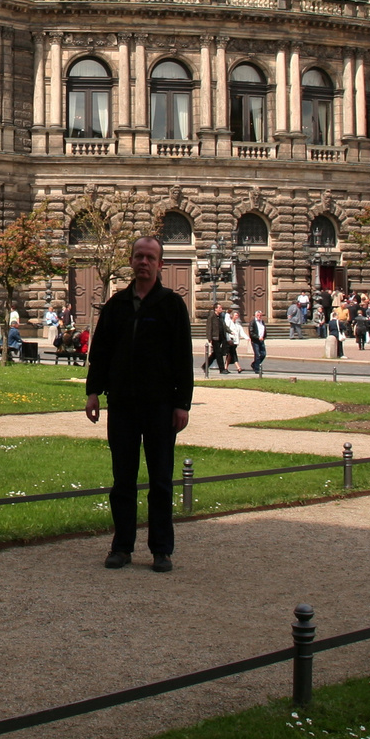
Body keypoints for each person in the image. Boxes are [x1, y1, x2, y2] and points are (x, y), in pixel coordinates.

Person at [85, 237, 193, 573]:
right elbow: (100, 352)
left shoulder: (172, 305)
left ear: (161, 265)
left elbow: (183, 358)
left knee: (161, 480)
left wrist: (182, 403)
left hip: (161, 406)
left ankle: (161, 550)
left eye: (150, 257)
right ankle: (121, 547)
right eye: (138, 257)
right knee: (123, 481)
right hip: (123, 405)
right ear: (131, 262)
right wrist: (93, 392)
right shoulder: (116, 305)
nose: (143, 262)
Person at [204, 303, 226, 375]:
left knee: (215, 354)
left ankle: (205, 366)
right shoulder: (212, 316)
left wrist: (229, 331)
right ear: (215, 309)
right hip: (215, 337)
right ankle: (222, 369)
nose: (221, 309)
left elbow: (223, 326)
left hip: (221, 337)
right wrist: (209, 338)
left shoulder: (220, 316)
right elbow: (209, 328)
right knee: (218, 353)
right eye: (220, 308)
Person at [249, 309, 268, 374]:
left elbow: (264, 330)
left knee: (263, 354)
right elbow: (251, 332)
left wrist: (264, 337)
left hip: (261, 340)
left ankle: (254, 364)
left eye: (260, 315)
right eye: (258, 315)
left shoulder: (262, 322)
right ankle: (257, 369)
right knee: (257, 354)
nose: (259, 316)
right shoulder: (253, 322)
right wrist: (257, 337)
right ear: (255, 315)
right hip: (255, 341)